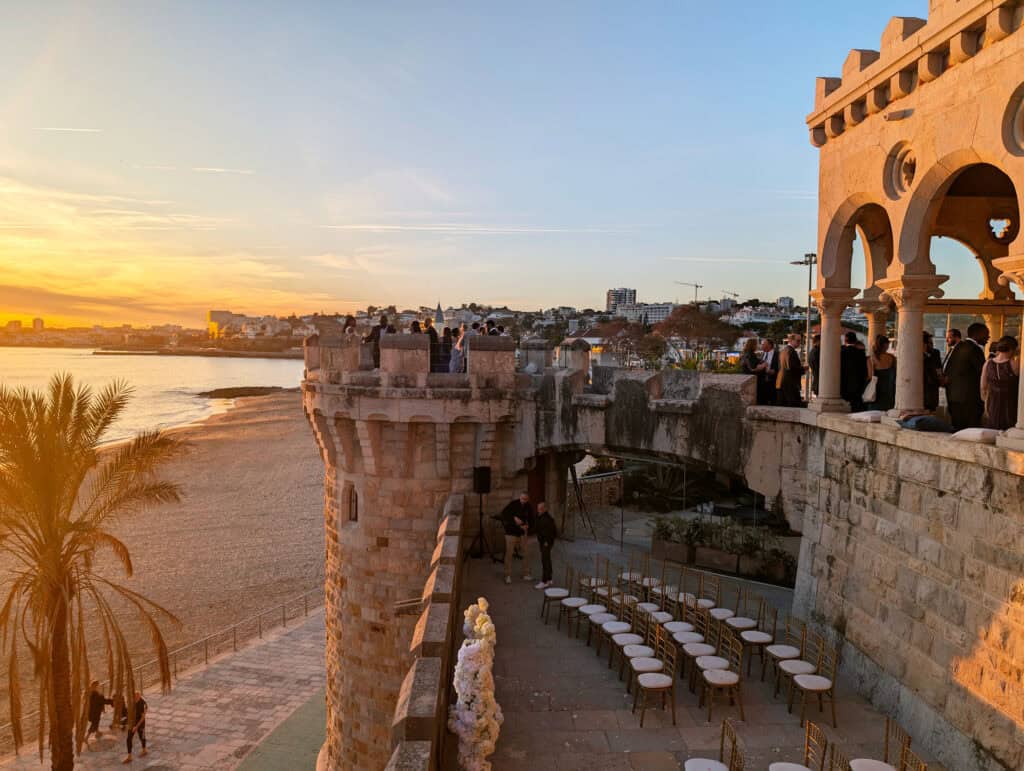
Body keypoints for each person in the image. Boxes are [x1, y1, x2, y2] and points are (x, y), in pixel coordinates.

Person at [945, 322, 989, 430]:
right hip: (970, 401)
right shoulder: (975, 349)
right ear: (978, 334)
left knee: (957, 430)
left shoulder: (957, 348)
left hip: (953, 398)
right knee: (970, 432)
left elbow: (947, 370)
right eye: (986, 334)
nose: (988, 337)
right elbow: (983, 372)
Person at [982, 335, 1020, 430]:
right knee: (1008, 428)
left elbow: (983, 387)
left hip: (992, 400)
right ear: (1012, 349)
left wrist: (986, 403)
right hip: (1010, 401)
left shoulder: (987, 363)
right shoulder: (1015, 364)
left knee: (993, 427)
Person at [500, 493, 533, 585]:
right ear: (520, 497)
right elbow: (504, 514)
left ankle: (526, 573)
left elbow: (531, 518)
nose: (524, 501)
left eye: (526, 499)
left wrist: (528, 526)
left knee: (526, 553)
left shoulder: (528, 507)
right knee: (509, 554)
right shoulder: (513, 504)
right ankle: (507, 575)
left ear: (528, 499)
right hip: (511, 533)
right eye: (522, 498)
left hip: (522, 533)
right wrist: (514, 519)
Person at [840, 331, 869, 412]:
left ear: (845, 341)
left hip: (843, 382)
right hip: (858, 383)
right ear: (855, 340)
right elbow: (864, 369)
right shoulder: (860, 353)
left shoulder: (841, 351)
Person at [868, 334, 897, 411]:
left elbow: (870, 376)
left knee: (876, 409)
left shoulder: (871, 358)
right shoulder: (892, 357)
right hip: (890, 387)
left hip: (877, 387)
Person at [533, 501, 557, 589]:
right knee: (547, 559)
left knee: (545, 561)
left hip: (546, 543)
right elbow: (536, 527)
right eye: (538, 508)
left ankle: (544, 581)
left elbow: (553, 532)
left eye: (541, 508)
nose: (539, 510)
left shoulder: (548, 519)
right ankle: (549, 579)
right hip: (542, 541)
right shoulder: (539, 516)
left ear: (545, 509)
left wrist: (547, 542)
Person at [777, 333, 805, 407]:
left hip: (782, 382)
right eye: (798, 341)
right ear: (791, 340)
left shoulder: (783, 351)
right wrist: (803, 369)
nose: (799, 343)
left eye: (800, 341)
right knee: (793, 406)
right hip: (790, 384)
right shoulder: (791, 351)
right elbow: (792, 367)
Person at [122, 690, 148, 763]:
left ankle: (144, 750)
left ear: (139, 696)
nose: (135, 698)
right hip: (133, 723)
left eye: (137, 696)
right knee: (129, 739)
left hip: (141, 723)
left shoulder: (143, 704)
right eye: (134, 697)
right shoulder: (133, 701)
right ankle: (129, 756)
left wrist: (136, 726)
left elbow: (143, 717)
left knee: (142, 737)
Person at [923, 332, 943, 412]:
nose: (932, 345)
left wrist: (940, 377)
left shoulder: (935, 353)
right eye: (930, 343)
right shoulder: (915, 354)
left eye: (932, 342)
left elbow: (938, 367)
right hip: (921, 388)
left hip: (932, 387)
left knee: (931, 409)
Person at [757, 339, 778, 406]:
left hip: (773, 382)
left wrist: (774, 371)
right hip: (763, 382)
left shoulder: (777, 354)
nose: (762, 346)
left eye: (763, 344)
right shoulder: (762, 354)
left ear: (769, 345)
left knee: (773, 402)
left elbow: (780, 367)